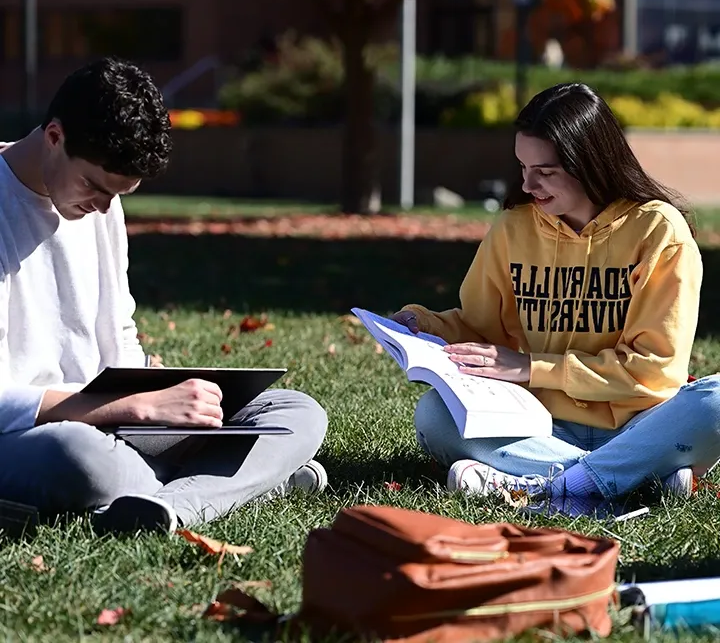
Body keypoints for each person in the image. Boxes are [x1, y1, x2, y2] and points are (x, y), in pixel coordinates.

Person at [0, 57, 328, 535]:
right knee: (80, 460)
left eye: (119, 194)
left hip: (114, 423)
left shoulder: (100, 208)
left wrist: (150, 389)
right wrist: (132, 408)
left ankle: (171, 503)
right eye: (95, 186)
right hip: (37, 434)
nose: (104, 207)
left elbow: (118, 329)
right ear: (55, 137)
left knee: (296, 412)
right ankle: (235, 484)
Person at [393, 82, 720, 518]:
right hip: (538, 422)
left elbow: (653, 370)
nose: (527, 184)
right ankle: (636, 477)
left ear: (589, 163)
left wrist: (531, 367)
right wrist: (421, 325)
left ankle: (540, 482)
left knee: (715, 400)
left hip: (640, 424)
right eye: (522, 167)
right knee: (435, 414)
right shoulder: (515, 228)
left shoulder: (658, 232)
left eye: (544, 171)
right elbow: (482, 327)